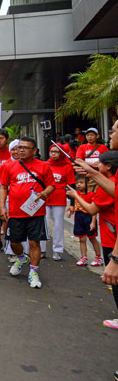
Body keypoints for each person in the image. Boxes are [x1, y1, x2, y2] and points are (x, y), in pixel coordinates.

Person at [73, 120, 118, 331]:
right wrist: (92, 172)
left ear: (108, 166)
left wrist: (74, 195)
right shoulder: (109, 178)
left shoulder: (106, 185)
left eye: (114, 131)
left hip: (112, 237)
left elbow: (92, 208)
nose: (110, 135)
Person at [0, 137, 55, 289]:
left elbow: (51, 186)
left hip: (36, 212)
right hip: (15, 212)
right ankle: (21, 258)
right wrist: (3, 207)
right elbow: (3, 187)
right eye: (19, 147)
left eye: (25, 148)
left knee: (34, 242)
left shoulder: (43, 166)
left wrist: (44, 193)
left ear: (34, 151)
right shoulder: (8, 166)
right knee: (15, 242)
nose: (21, 150)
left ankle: (33, 271)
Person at [45, 144, 75, 260]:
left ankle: (57, 250)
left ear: (61, 153)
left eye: (56, 152)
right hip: (46, 197)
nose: (53, 154)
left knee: (58, 225)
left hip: (59, 197)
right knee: (44, 224)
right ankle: (42, 249)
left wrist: (72, 204)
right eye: (51, 151)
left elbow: (72, 185)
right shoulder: (45, 165)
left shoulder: (67, 167)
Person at [67, 176, 102, 267]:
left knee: (92, 237)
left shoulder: (91, 195)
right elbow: (74, 206)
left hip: (89, 217)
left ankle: (98, 257)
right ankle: (83, 257)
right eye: (77, 182)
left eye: (81, 182)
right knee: (81, 238)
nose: (78, 184)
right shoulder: (75, 194)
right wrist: (70, 211)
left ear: (87, 184)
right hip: (79, 217)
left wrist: (93, 222)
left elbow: (94, 210)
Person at [76, 128, 107, 192]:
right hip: (87, 175)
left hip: (100, 174)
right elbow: (78, 160)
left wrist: (100, 163)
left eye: (92, 135)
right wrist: (91, 164)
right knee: (88, 193)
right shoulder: (82, 147)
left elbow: (107, 159)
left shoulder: (103, 147)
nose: (89, 137)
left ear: (97, 136)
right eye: (88, 135)